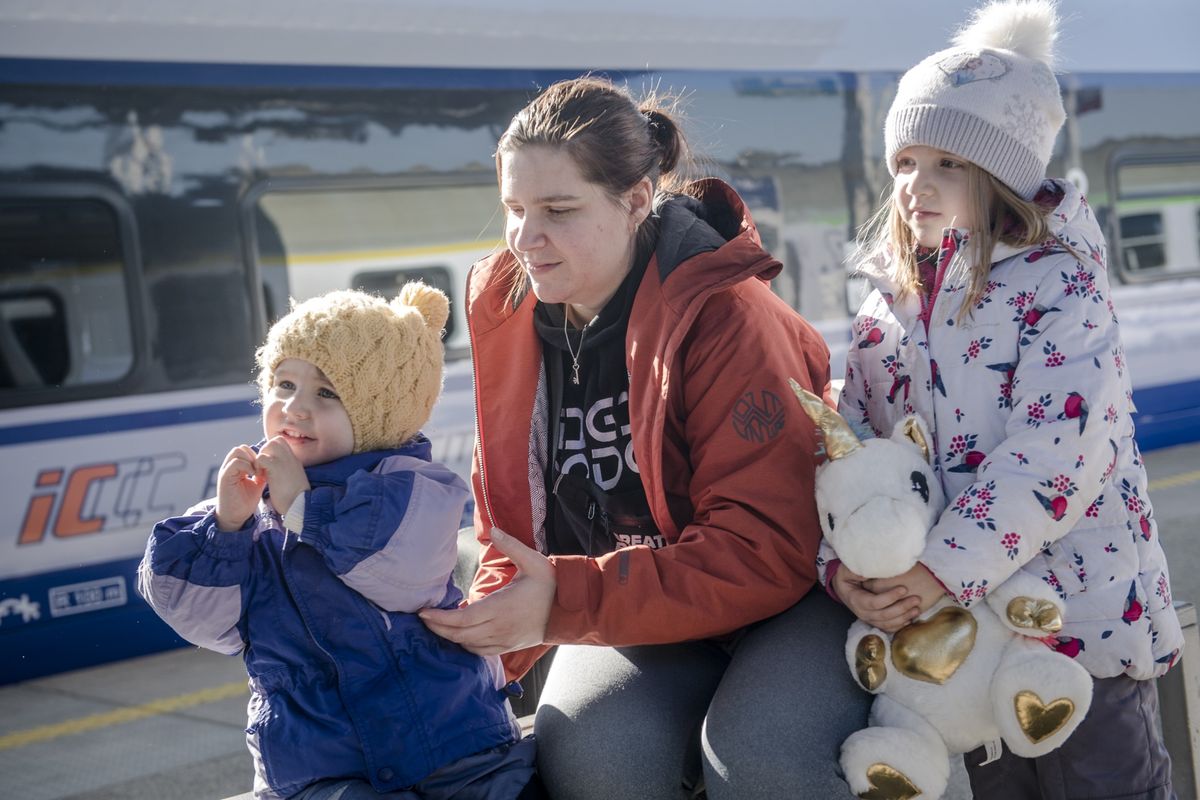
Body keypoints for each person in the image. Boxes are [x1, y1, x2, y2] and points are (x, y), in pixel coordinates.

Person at [417, 76, 868, 799]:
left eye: (558, 211)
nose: (525, 239)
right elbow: (515, 534)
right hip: (641, 602)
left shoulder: (729, 320)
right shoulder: (511, 317)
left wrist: (563, 599)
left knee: (756, 759)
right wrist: (462, 660)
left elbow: (764, 552)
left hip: (798, 601)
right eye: (513, 209)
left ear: (635, 200)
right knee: (591, 754)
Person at [824, 2, 1183, 798]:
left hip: (1075, 624)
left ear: (1002, 178)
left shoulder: (1060, 287)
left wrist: (941, 570)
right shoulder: (887, 308)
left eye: (949, 164)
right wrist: (841, 568)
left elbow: (1056, 458)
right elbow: (853, 455)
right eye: (907, 161)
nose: (917, 184)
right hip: (963, 648)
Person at [137, 285, 537, 800]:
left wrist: (306, 510)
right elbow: (198, 618)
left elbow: (405, 574)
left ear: (381, 412)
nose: (294, 408)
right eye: (283, 384)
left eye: (327, 393)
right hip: (319, 769)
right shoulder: (246, 510)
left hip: (456, 743)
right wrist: (225, 527)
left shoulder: (413, 485)